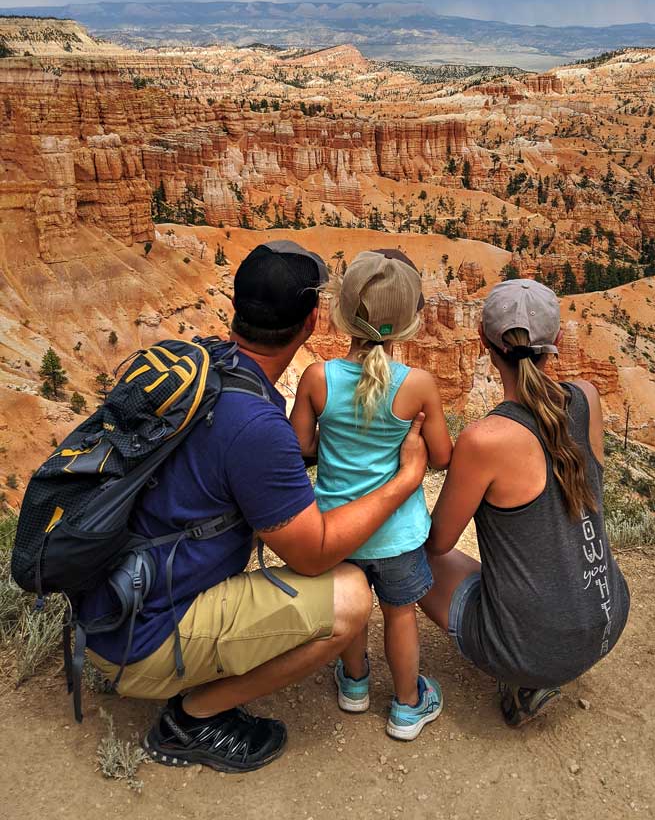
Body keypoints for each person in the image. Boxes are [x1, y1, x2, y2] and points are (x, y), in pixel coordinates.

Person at [81, 240, 428, 773]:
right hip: (144, 633)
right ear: (313, 321)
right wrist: (403, 482)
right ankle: (192, 719)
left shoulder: (201, 364)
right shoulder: (256, 425)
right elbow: (312, 556)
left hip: (110, 601)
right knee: (350, 598)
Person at [420, 278, 630, 727]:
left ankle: (523, 675)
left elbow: (438, 543)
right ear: (555, 343)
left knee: (411, 556)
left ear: (483, 342)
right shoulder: (587, 399)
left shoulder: (485, 439)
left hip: (537, 650)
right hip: (608, 620)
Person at [291, 249, 452, 740]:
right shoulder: (418, 385)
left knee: (354, 606)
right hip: (398, 534)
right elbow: (442, 457)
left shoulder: (319, 377)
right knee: (399, 615)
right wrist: (414, 444)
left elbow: (300, 446)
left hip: (338, 529)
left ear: (341, 314)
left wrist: (333, 439)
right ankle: (407, 705)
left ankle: (355, 684)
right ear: (409, 323)